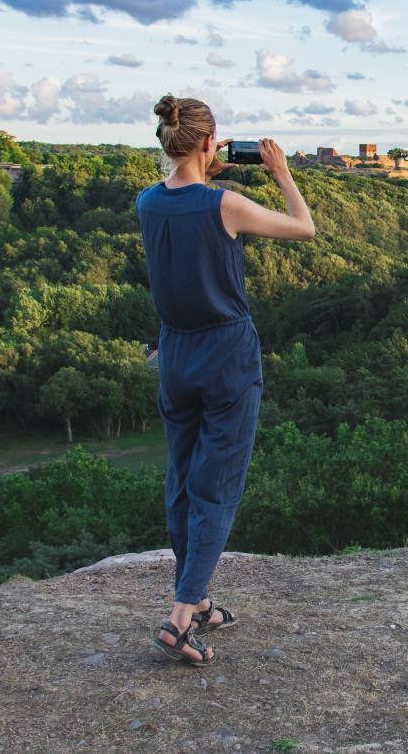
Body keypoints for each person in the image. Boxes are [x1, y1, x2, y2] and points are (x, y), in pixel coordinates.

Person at [137, 94, 315, 666]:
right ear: (211, 143)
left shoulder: (147, 203)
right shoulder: (226, 205)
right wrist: (282, 173)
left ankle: (202, 600)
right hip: (226, 353)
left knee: (184, 479)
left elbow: (180, 196)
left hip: (175, 352)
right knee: (218, 485)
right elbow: (303, 227)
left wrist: (202, 166)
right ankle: (180, 617)